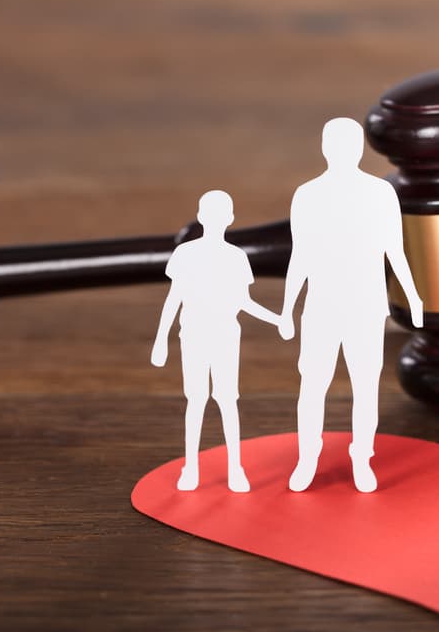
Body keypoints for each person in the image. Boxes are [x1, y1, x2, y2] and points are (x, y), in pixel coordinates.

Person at [279, 117, 423, 494]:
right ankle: (307, 458)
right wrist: (287, 308)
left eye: (349, 144)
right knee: (313, 384)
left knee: (364, 386)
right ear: (326, 148)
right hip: (323, 305)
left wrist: (414, 296)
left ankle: (362, 458)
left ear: (359, 149)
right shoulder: (307, 195)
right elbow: (301, 256)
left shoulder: (380, 194)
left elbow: (396, 252)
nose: (343, 151)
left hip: (365, 305)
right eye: (337, 144)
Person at [151, 190, 280, 492]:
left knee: (227, 401)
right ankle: (191, 468)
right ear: (201, 216)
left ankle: (236, 468)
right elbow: (175, 299)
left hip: (224, 336)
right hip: (194, 335)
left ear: (230, 220)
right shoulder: (186, 254)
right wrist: (160, 340)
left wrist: (277, 319)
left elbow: (243, 302)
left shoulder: (236, 257)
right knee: (196, 401)